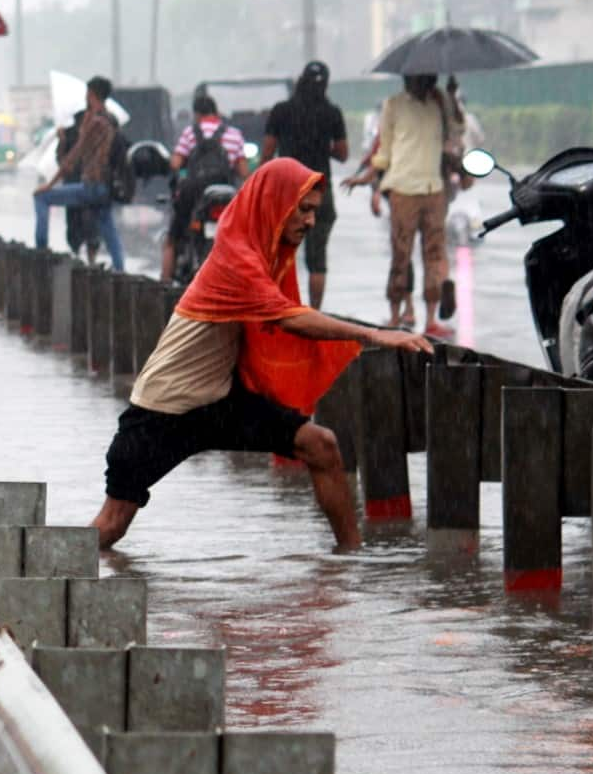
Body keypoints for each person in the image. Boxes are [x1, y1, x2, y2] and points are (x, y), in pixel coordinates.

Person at [91, 159, 433, 554]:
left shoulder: (264, 253)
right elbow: (291, 319)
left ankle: (349, 565)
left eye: (314, 213)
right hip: (163, 411)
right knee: (111, 526)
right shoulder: (236, 258)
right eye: (302, 209)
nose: (309, 222)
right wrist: (373, 334)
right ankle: (40, 573)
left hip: (219, 401)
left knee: (321, 445)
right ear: (274, 203)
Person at [341, 74, 465, 338]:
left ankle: (431, 319)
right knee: (401, 255)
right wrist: (366, 178)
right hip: (402, 191)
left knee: (433, 256)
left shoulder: (440, 102)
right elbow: (384, 152)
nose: (418, 83)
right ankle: (397, 315)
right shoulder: (393, 105)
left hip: (434, 190)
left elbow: (457, 130)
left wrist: (452, 96)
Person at [262, 61, 349, 309]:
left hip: (286, 190)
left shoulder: (281, 111)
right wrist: (322, 146)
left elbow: (267, 152)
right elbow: (343, 153)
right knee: (317, 259)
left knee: (280, 252)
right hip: (319, 191)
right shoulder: (332, 113)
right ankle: (314, 312)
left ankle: (278, 309)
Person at [33, 75, 125, 271]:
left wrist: (49, 185)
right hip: (106, 186)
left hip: (91, 185)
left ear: (91, 94)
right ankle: (119, 267)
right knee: (108, 228)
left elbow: (73, 157)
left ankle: (40, 253)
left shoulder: (94, 123)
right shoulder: (112, 121)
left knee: (41, 198)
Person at [162, 94, 249, 283]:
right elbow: (243, 171)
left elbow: (175, 163)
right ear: (216, 113)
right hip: (225, 194)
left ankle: (165, 284)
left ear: (196, 114)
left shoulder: (190, 133)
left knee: (172, 237)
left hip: (194, 192)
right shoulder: (234, 134)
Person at [56, 108, 102, 265]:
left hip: (88, 187)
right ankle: (79, 256)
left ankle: (91, 260)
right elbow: (62, 162)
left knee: (90, 225)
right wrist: (62, 141)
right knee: (76, 224)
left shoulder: (98, 136)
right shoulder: (69, 135)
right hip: (74, 186)